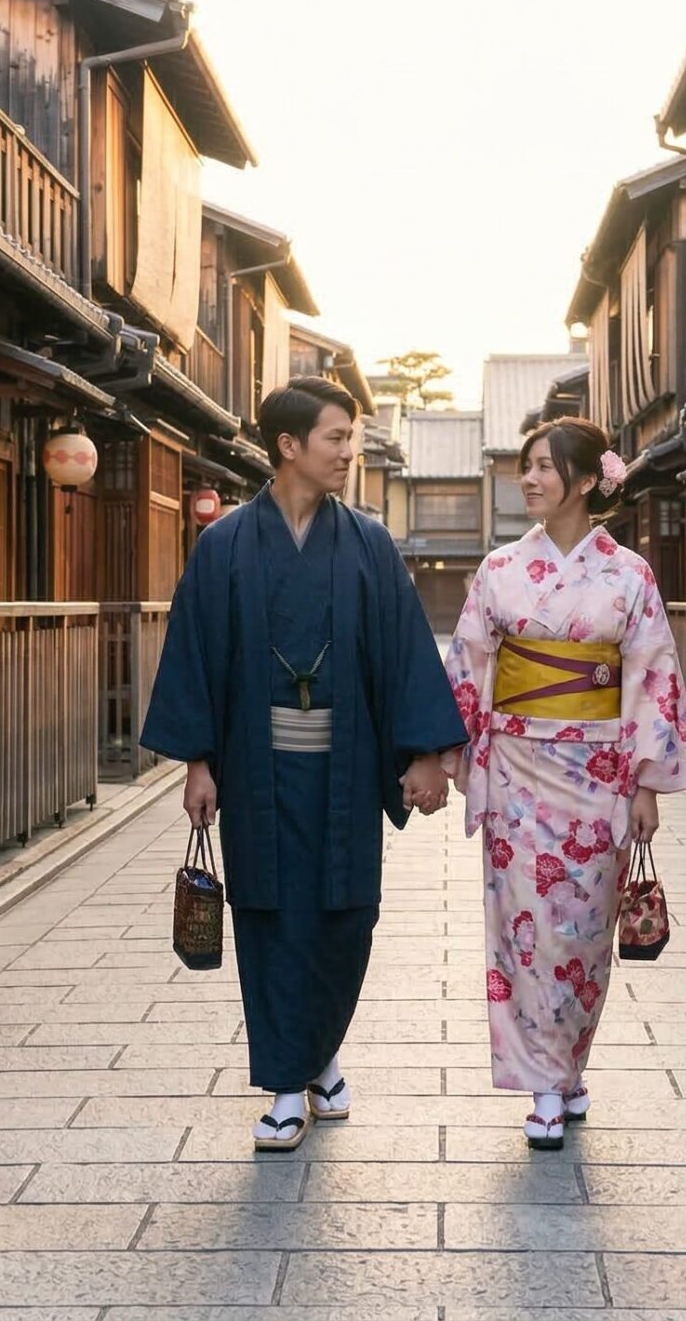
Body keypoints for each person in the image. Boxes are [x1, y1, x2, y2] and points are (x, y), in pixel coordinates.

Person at [141, 377, 467, 1153]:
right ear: (289, 446)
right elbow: (198, 659)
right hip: (257, 770)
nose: (349, 452)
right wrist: (198, 763)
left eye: (351, 438)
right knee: (267, 918)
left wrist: (425, 752)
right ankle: (287, 1084)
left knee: (346, 916)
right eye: (336, 438)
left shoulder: (370, 543)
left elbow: (402, 653)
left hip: (346, 769)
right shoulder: (222, 546)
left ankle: (317, 1054)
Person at [443, 416, 686, 1150]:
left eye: (544, 467)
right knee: (524, 932)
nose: (529, 478)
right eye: (524, 465)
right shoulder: (499, 571)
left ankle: (567, 1063)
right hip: (519, 773)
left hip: (598, 773)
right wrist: (444, 757)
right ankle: (545, 1084)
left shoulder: (629, 574)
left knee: (583, 931)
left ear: (587, 480)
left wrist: (646, 782)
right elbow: (470, 665)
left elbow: (650, 673)